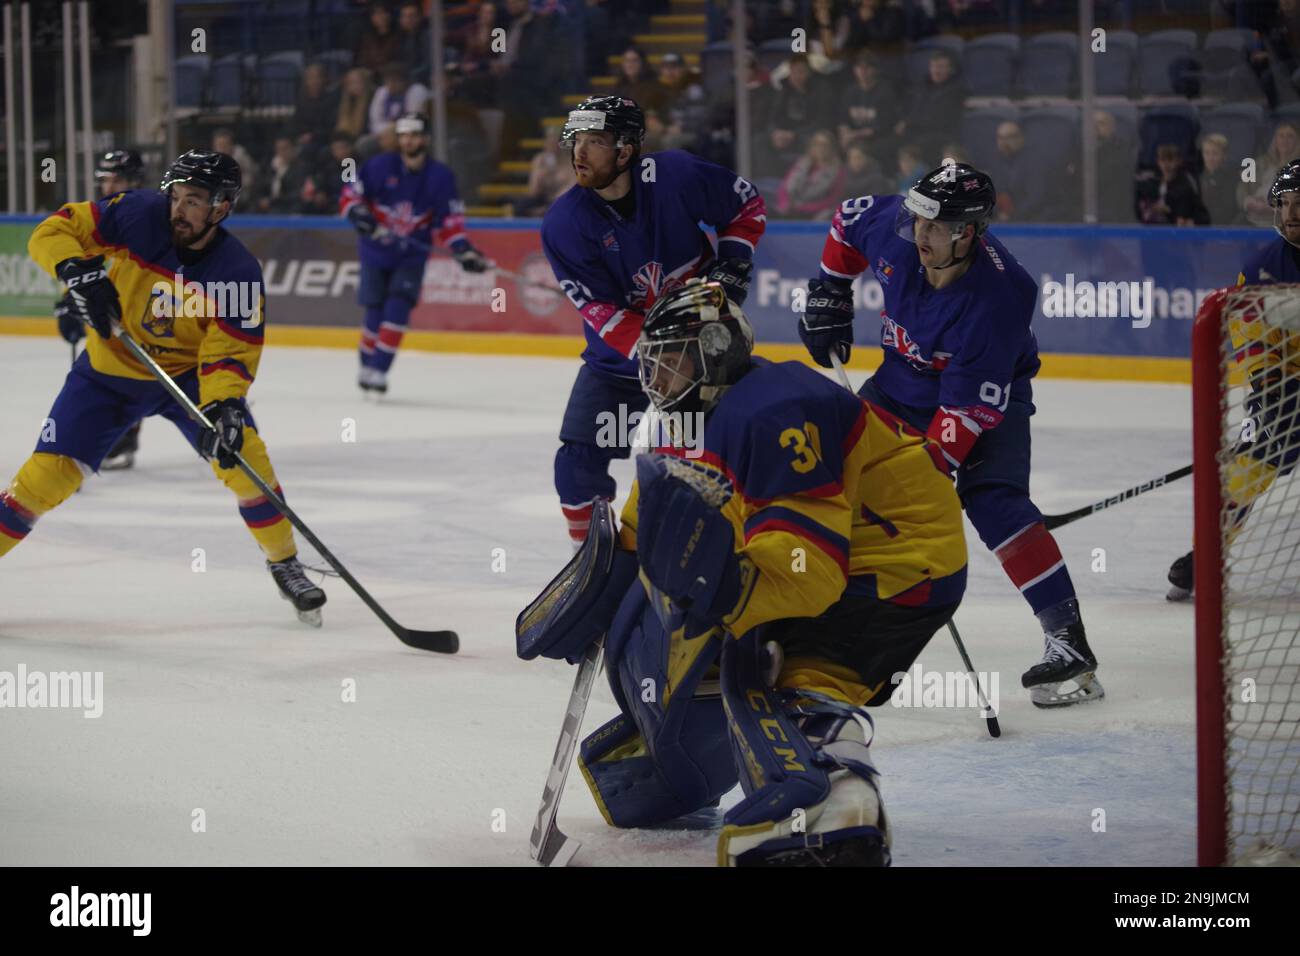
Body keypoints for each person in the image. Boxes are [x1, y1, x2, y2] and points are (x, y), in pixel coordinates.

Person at [516, 279, 968, 866]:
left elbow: (812, 570)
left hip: (898, 567)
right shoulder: (693, 414)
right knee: (713, 627)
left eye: (672, 361)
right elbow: (653, 519)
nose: (657, 381)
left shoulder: (776, 408)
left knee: (766, 669)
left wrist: (725, 591)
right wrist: (605, 578)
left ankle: (835, 805)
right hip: (856, 559)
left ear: (716, 348)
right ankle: (673, 773)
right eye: (653, 365)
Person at [797, 164, 1103, 707]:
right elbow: (846, 222)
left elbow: (964, 412)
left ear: (968, 232)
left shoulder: (1000, 297)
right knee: (836, 481)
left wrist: (926, 473)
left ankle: (1069, 643)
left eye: (935, 228)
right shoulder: (899, 229)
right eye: (918, 221)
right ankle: (815, 616)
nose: (920, 234)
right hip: (895, 388)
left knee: (998, 505)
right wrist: (830, 292)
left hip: (985, 401)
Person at [2, 150, 327, 624]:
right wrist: (78, 271)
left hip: (189, 377)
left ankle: (284, 563)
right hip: (109, 369)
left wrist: (224, 406)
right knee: (44, 478)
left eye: (193, 200)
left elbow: (230, 350)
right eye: (175, 195)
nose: (179, 209)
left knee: (245, 459)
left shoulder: (235, 271)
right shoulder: (137, 213)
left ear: (221, 207)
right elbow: (54, 230)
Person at [540, 95, 767, 546]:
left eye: (596, 141)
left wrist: (733, 265)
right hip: (622, 369)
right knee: (578, 466)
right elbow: (600, 310)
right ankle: (596, 566)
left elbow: (744, 207)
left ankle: (739, 550)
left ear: (626, 150)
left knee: (724, 457)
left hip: (706, 359)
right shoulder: (564, 223)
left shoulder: (676, 176)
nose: (579, 154)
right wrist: (658, 350)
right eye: (576, 140)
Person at [1166, 161, 1300, 600]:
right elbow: (1247, 327)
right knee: (1245, 469)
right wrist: (1269, 383)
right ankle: (1206, 554)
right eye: (1286, 204)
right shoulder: (1264, 265)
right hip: (1286, 388)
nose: (1294, 213)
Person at [340, 112, 489, 395]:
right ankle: (365, 364)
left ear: (426, 138)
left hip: (410, 255)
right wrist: (359, 214)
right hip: (376, 251)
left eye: (414, 135)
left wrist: (463, 250)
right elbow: (350, 195)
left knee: (398, 307)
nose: (408, 140)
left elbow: (450, 221)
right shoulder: (379, 166)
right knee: (374, 309)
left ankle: (380, 369)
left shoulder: (441, 177)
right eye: (404, 135)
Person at [55, 150, 149, 472]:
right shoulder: (99, 216)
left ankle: (124, 434)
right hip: (107, 311)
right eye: (105, 180)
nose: (109, 186)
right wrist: (69, 298)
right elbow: (80, 260)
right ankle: (114, 435)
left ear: (134, 181)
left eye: (117, 179)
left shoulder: (146, 217)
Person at [1136, 143, 1209, 226]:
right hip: (1152, 233)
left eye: (1170, 160)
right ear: (1158, 162)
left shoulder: (1186, 187)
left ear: (1178, 161)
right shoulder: (1151, 182)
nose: (1166, 165)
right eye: (1163, 160)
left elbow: (1203, 218)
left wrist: (1171, 211)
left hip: (1175, 235)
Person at [1199, 133, 1241, 226]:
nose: (1210, 158)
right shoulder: (1199, 176)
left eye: (1215, 153)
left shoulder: (1232, 178)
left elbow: (1227, 210)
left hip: (1222, 228)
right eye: (1207, 153)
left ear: (1224, 155)